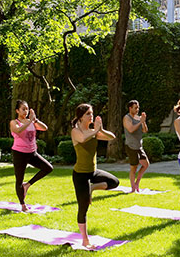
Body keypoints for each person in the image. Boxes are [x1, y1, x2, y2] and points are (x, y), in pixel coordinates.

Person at [71, 103, 119, 249]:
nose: (91, 116)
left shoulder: (93, 131)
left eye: (92, 113)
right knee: (83, 207)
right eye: (88, 114)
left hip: (93, 172)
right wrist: (95, 130)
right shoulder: (76, 131)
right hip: (80, 175)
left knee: (114, 182)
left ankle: (92, 187)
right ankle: (85, 240)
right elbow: (83, 139)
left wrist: (101, 129)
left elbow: (112, 137)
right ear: (80, 117)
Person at [10, 100, 53, 212]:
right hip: (19, 154)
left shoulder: (31, 122)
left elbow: (44, 128)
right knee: (19, 180)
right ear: (17, 111)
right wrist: (30, 122)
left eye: (27, 109)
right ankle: (23, 205)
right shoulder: (14, 122)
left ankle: (28, 185)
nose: (26, 111)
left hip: (32, 153)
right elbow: (18, 131)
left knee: (48, 168)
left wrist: (35, 120)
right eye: (23, 109)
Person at [123, 100, 150, 192]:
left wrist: (143, 121)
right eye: (135, 108)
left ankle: (137, 183)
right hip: (131, 146)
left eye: (138, 107)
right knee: (133, 167)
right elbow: (130, 129)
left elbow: (145, 130)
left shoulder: (139, 118)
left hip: (139, 146)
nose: (137, 109)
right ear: (130, 108)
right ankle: (133, 188)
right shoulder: (127, 118)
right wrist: (139, 122)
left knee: (146, 164)